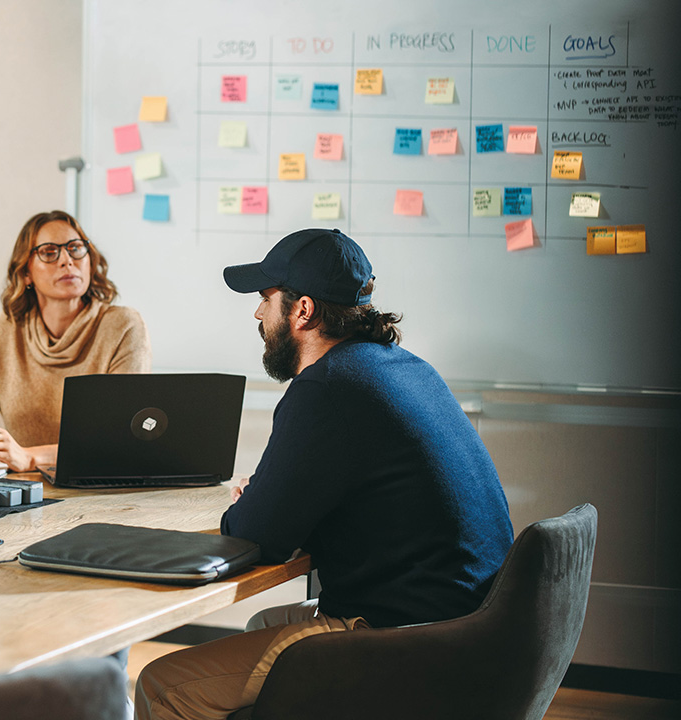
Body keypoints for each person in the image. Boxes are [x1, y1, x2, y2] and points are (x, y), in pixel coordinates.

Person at [135, 228, 513, 720]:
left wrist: (256, 505)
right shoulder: (402, 368)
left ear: (303, 310)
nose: (257, 313)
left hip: (405, 642)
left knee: (161, 683)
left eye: (265, 299)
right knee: (265, 622)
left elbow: (253, 537)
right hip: (470, 628)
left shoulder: (326, 390)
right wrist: (277, 499)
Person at [0, 210, 150, 472]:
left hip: (103, 490)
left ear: (90, 261)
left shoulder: (123, 327)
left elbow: (121, 436)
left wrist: (30, 456)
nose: (67, 261)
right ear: (26, 273)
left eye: (76, 249)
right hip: (24, 490)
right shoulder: (2, 332)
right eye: (49, 252)